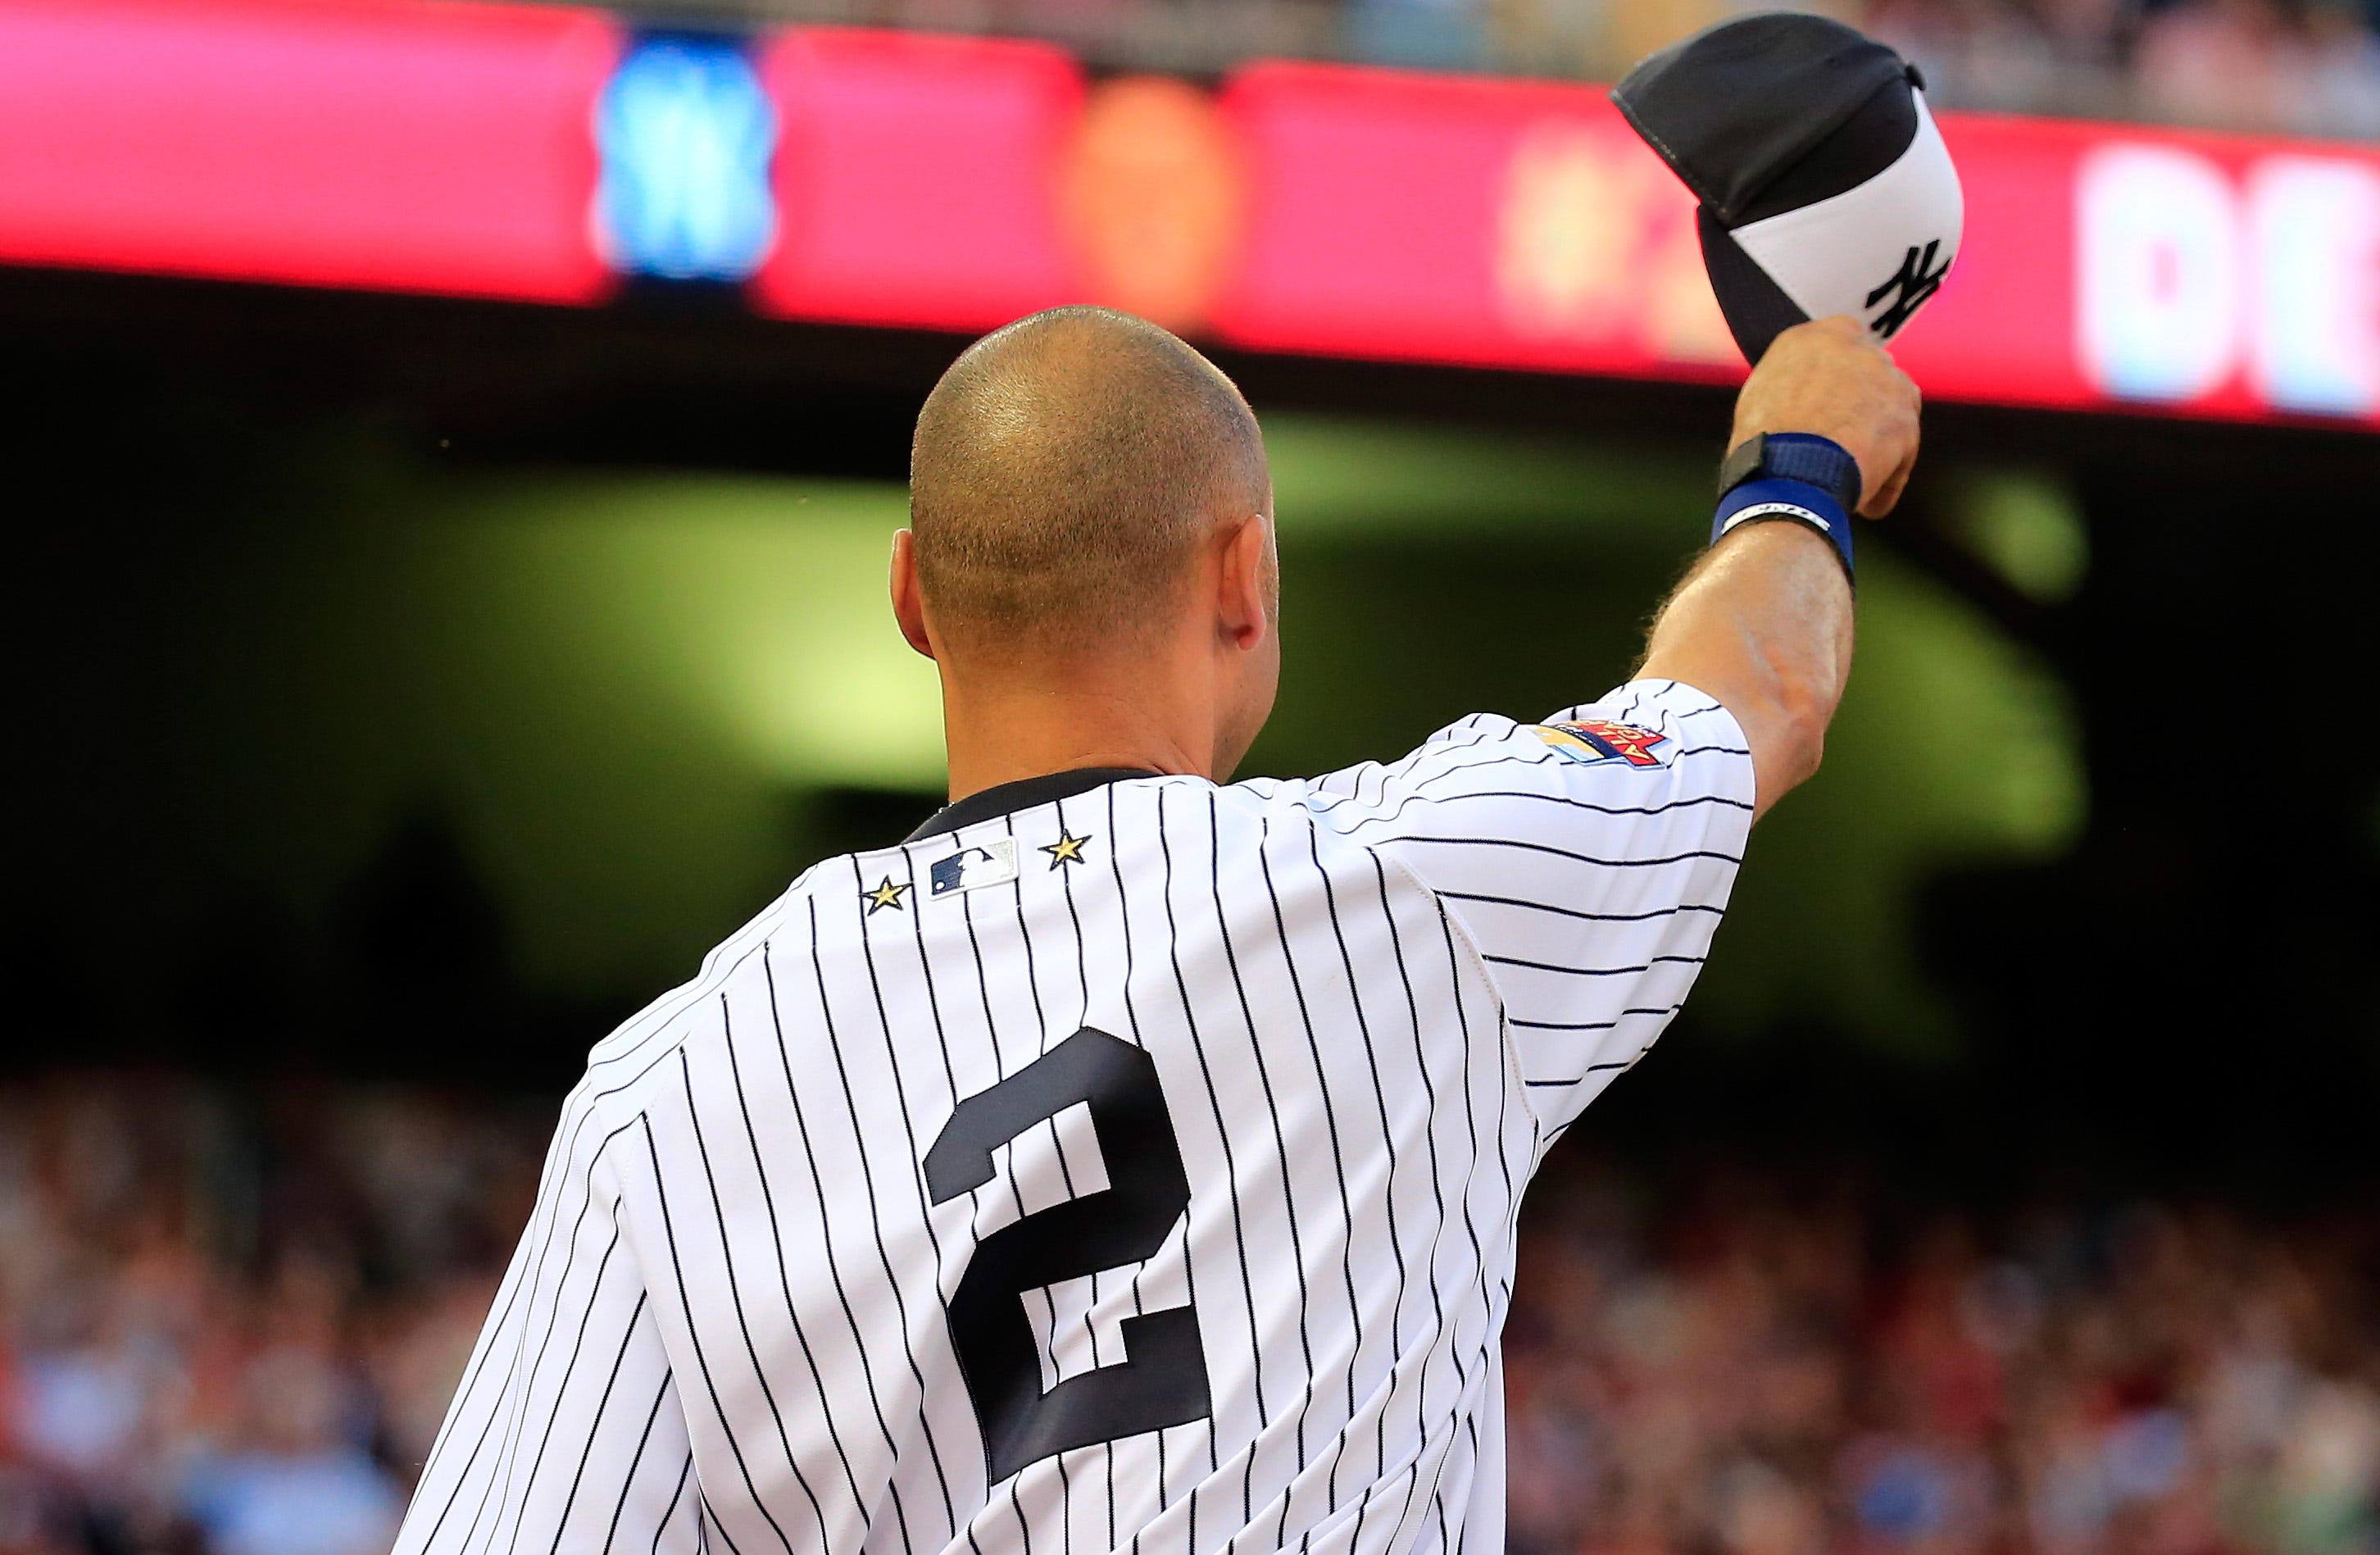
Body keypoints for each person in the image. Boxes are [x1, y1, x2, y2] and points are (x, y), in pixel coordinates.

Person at [392, 305, 1919, 1555]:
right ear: (1244, 577)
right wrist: (1798, 461)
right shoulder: (1407, 886)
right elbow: (1763, 688)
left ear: (915, 599)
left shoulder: (665, 1091)